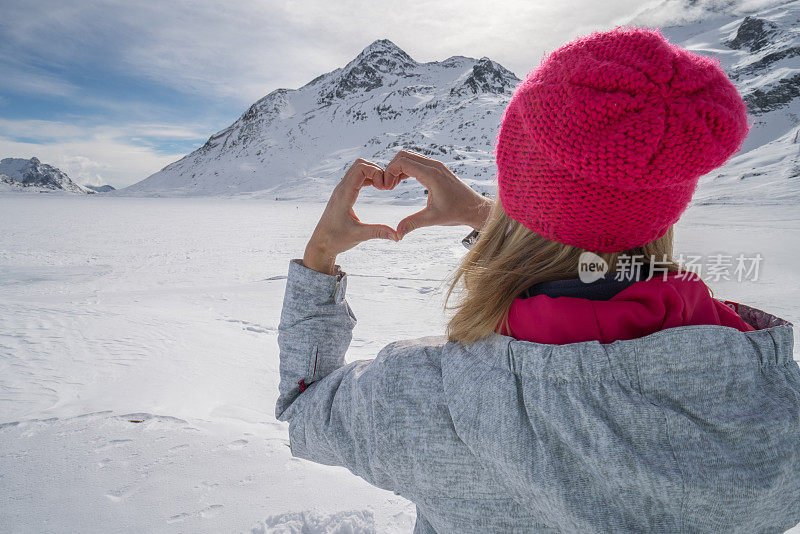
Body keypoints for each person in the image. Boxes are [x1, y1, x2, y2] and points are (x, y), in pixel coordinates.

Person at [275, 27, 800, 533]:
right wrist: (488, 216)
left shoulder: (423, 396)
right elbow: (594, 242)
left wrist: (321, 256)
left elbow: (305, 406)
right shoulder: (772, 398)